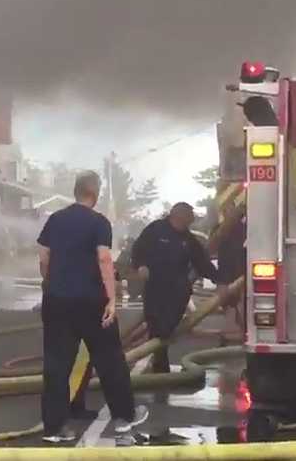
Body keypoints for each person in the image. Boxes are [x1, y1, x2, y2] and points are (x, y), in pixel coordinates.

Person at [37, 171, 149, 443]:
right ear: (95, 194)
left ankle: (55, 428)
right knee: (109, 359)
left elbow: (43, 256)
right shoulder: (98, 222)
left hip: (57, 301)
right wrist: (111, 298)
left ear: (75, 192)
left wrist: (51, 283)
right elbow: (104, 259)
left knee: (56, 364)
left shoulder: (55, 219)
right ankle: (124, 417)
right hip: (91, 302)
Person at [131, 202, 219, 373]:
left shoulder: (188, 239)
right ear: (176, 216)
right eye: (186, 220)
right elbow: (138, 249)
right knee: (156, 325)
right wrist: (140, 265)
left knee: (166, 328)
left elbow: (202, 262)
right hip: (154, 285)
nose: (187, 224)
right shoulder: (155, 230)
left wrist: (220, 279)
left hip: (177, 288)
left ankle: (161, 344)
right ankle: (160, 365)